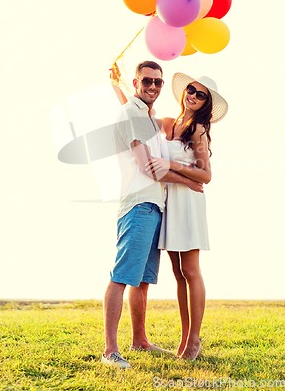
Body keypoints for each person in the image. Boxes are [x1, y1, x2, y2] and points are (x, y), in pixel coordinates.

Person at [102, 61, 204, 369]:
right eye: (147, 81)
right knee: (122, 277)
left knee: (142, 281)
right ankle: (110, 350)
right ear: (137, 83)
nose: (153, 86)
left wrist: (116, 86)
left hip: (154, 207)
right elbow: (148, 167)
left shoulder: (144, 116)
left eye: (158, 83)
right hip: (138, 206)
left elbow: (132, 111)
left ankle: (139, 340)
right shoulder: (134, 114)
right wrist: (190, 181)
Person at [145, 73, 228, 360]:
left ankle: (194, 340)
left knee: (191, 271)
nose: (192, 94)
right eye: (190, 89)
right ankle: (184, 339)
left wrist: (169, 163)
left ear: (206, 104)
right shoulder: (170, 123)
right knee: (178, 274)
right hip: (171, 201)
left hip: (189, 202)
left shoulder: (198, 130)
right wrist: (117, 86)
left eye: (200, 94)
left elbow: (206, 175)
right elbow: (138, 116)